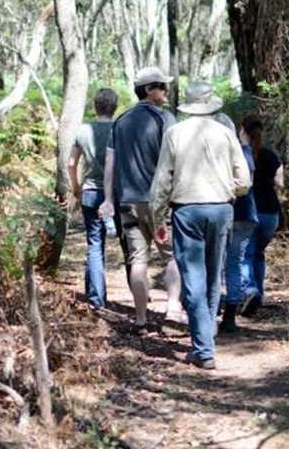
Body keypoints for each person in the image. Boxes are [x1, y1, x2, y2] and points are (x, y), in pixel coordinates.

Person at [150, 83, 251, 369]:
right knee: (212, 274)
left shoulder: (174, 133)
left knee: (193, 276)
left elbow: (161, 182)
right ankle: (207, 338)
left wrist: (157, 217)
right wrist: (227, 191)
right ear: (211, 104)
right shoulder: (225, 133)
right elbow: (244, 180)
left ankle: (203, 348)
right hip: (221, 209)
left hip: (187, 211)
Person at [99, 67, 182, 331]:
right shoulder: (165, 119)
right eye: (162, 86)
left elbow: (109, 163)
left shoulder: (120, 121)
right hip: (159, 204)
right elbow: (176, 159)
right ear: (149, 90)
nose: (166, 91)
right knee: (172, 256)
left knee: (138, 260)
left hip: (127, 203)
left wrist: (108, 199)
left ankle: (141, 319)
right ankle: (172, 308)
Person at [68, 88, 119, 309]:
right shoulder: (119, 128)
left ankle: (96, 298)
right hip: (116, 195)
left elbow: (71, 163)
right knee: (129, 246)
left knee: (94, 244)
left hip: (89, 191)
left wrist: (76, 187)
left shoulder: (83, 130)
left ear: (95, 106)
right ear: (114, 107)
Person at [241, 115, 284, 316]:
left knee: (246, 254)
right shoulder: (272, 156)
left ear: (243, 131)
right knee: (258, 253)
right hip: (271, 212)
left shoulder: (241, 156)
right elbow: (281, 183)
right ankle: (259, 293)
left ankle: (250, 291)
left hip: (249, 210)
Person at [220, 120, 258, 334]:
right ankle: (229, 315)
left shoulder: (221, 152)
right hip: (246, 214)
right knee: (234, 262)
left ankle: (216, 307)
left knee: (217, 263)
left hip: (228, 212)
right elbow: (247, 181)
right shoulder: (244, 150)